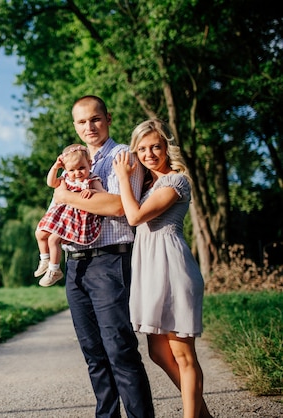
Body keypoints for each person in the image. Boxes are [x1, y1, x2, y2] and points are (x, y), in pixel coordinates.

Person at [52, 95, 155, 417]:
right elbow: (55, 212)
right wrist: (68, 197)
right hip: (75, 265)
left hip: (110, 260)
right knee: (93, 354)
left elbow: (118, 207)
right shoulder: (72, 158)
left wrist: (66, 194)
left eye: (95, 119)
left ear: (108, 118)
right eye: (82, 122)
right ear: (74, 126)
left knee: (120, 350)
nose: (89, 126)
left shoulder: (123, 155)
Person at [113, 119, 212, 418]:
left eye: (156, 146)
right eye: (142, 148)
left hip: (172, 267)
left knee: (183, 355)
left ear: (167, 147)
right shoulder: (146, 185)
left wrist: (121, 178)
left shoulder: (176, 181)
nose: (149, 153)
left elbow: (135, 216)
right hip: (148, 270)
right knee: (158, 353)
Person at [34, 144, 106, 287]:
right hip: (63, 215)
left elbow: (104, 194)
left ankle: (55, 270)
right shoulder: (66, 178)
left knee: (53, 239)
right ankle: (45, 259)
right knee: (40, 233)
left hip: (77, 218)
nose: (77, 173)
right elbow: (51, 183)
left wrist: (92, 192)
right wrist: (55, 167)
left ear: (90, 164)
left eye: (81, 168)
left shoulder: (91, 180)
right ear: (66, 169)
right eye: (71, 170)